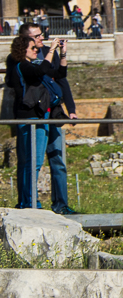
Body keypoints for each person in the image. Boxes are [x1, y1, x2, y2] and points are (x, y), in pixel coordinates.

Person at [6, 32, 76, 212]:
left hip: (42, 117)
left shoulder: (35, 65)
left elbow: (61, 73)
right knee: (33, 162)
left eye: (38, 49)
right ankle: (30, 203)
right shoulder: (22, 66)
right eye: (34, 48)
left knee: (34, 162)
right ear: (23, 50)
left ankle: (29, 202)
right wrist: (51, 49)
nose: (37, 50)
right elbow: (40, 70)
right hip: (30, 119)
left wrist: (63, 53)